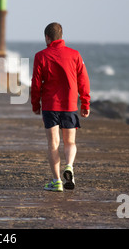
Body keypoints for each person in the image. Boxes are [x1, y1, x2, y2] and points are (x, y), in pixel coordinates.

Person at [31, 22, 90, 192]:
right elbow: (83, 81)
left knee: (53, 143)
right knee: (70, 141)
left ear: (47, 37)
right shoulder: (75, 55)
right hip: (70, 105)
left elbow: (35, 84)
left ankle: (57, 181)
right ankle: (69, 166)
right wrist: (85, 102)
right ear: (61, 36)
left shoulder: (41, 56)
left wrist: (36, 104)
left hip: (50, 106)